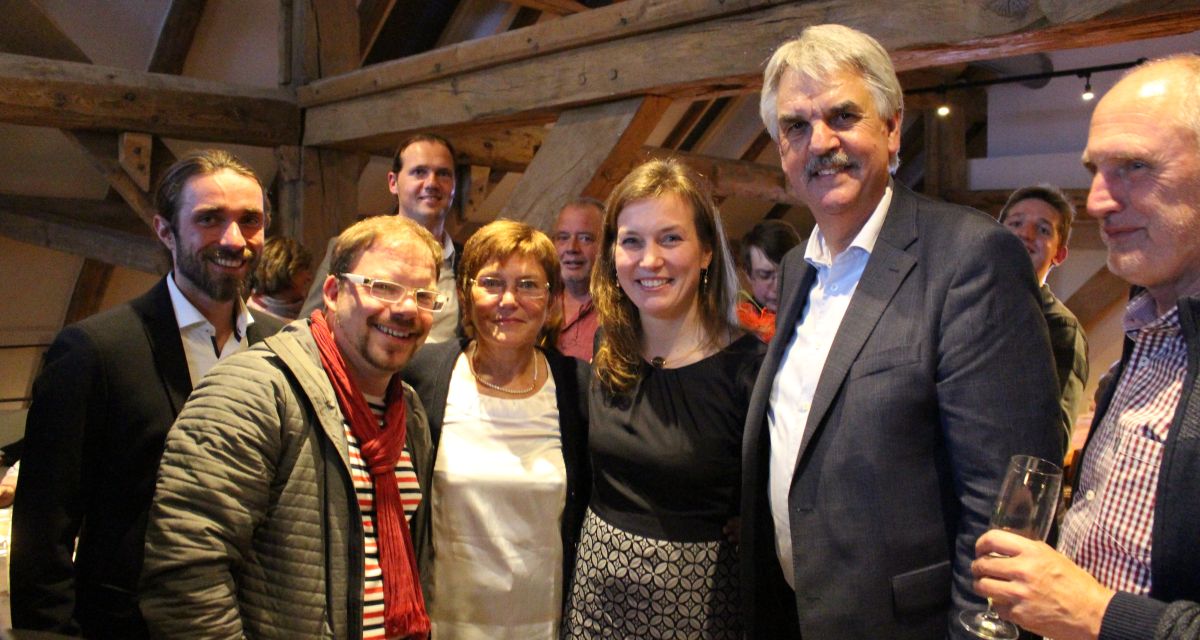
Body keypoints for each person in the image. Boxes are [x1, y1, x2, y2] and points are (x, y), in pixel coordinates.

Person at [741, 24, 1062, 639]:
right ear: (780, 149)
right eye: (796, 126)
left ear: (891, 129)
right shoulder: (795, 267)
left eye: (843, 115)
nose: (821, 142)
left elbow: (1007, 507)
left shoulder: (971, 258)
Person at [971, 53, 1200, 640]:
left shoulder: (1071, 329)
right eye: (1097, 169)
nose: (1097, 200)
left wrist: (1101, 617)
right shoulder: (1149, 331)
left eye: (1134, 166)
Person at [9, 150, 282, 639]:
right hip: (130, 625)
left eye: (250, 221)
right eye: (209, 219)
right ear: (164, 230)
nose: (234, 239)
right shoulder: (96, 350)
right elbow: (44, 534)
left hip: (255, 622)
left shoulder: (283, 346)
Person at [140, 215, 442, 639]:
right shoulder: (254, 391)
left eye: (424, 295)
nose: (407, 308)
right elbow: (186, 574)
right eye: (384, 287)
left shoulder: (406, 411)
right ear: (334, 293)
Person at [563, 158, 764, 638]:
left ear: (707, 252)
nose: (648, 260)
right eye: (631, 241)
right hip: (595, 588)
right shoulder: (608, 343)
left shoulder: (749, 368)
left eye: (670, 239)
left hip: (696, 600)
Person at [403, 219, 590, 638]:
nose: (509, 300)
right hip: (444, 622)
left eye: (528, 285)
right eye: (492, 282)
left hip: (544, 623)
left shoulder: (579, 389)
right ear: (465, 295)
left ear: (551, 300)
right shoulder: (425, 375)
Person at [302, 133, 462, 343]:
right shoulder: (356, 249)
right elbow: (309, 326)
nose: (432, 183)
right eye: (419, 172)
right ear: (393, 182)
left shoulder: (466, 263)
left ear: (454, 185)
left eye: (443, 174)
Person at [999, 184, 1089, 447]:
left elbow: (1052, 442)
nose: (1024, 234)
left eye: (1042, 229)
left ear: (1059, 254)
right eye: (1015, 223)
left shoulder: (1061, 329)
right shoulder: (960, 304)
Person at [552, 197, 605, 360]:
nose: (571, 248)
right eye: (563, 237)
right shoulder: (537, 301)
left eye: (585, 238)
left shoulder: (622, 312)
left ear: (607, 245)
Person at [737, 219, 801, 342]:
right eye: (765, 275)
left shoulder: (816, 314)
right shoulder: (736, 328)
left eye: (785, 273)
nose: (778, 286)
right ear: (748, 275)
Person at [246, 236, 314, 321]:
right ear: (284, 271)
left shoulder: (308, 308)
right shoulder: (253, 320)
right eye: (303, 268)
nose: (309, 278)